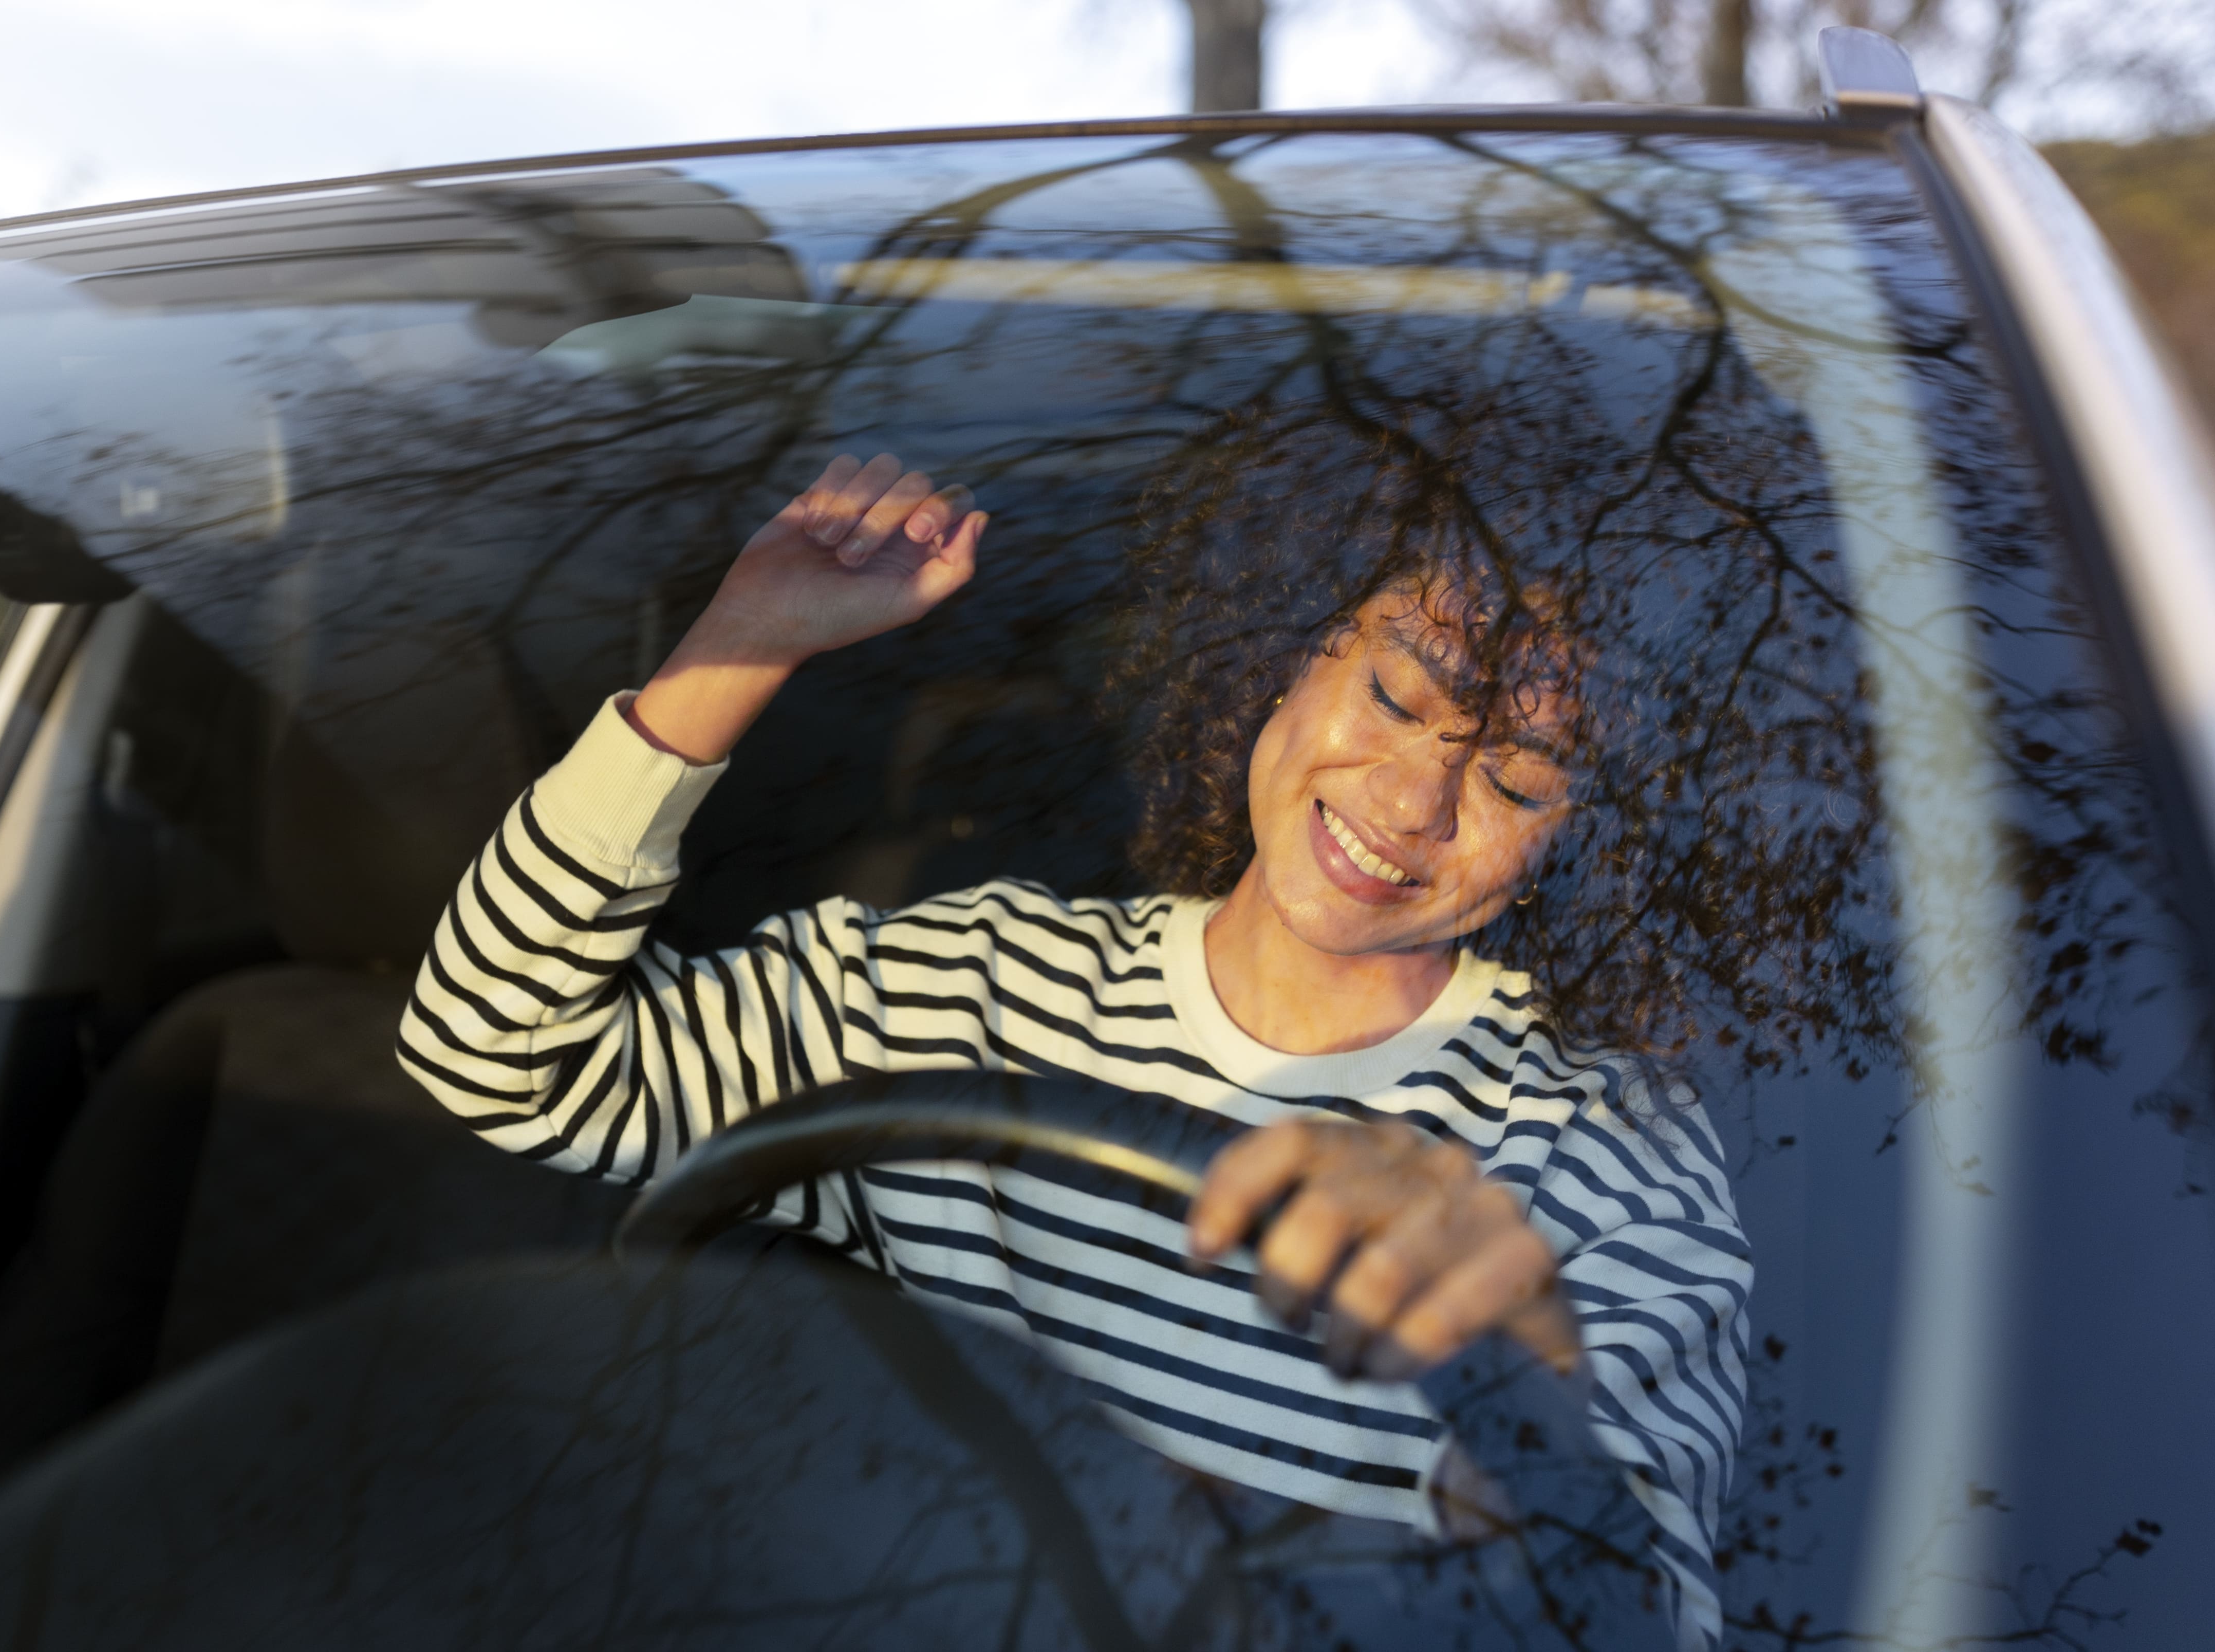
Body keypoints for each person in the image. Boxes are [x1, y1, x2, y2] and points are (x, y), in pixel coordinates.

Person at [399, 451, 1748, 1643]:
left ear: (1579, 840)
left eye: (1515, 779)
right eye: (1397, 695)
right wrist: (736, 650)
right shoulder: (978, 978)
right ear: (1298, 651)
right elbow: (496, 1054)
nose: (1413, 801)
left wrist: (1531, 1381)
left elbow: (1639, 1622)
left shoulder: (1594, 1154)